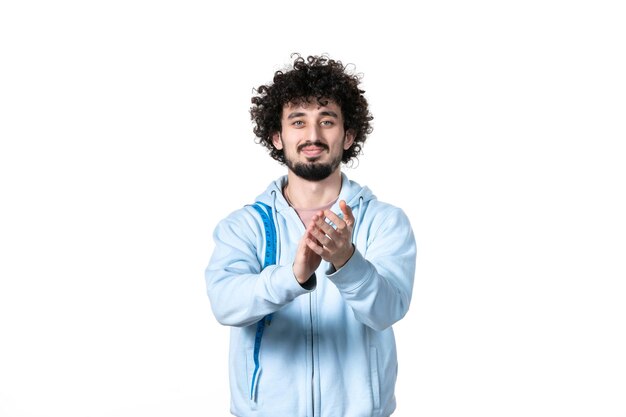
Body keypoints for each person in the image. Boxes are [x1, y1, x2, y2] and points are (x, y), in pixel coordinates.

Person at [205, 54, 417, 417]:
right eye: (298, 121)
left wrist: (347, 262)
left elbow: (386, 311)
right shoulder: (243, 226)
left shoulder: (385, 221)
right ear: (277, 136)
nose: (313, 135)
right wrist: (293, 276)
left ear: (348, 135)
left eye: (327, 121)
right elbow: (225, 304)